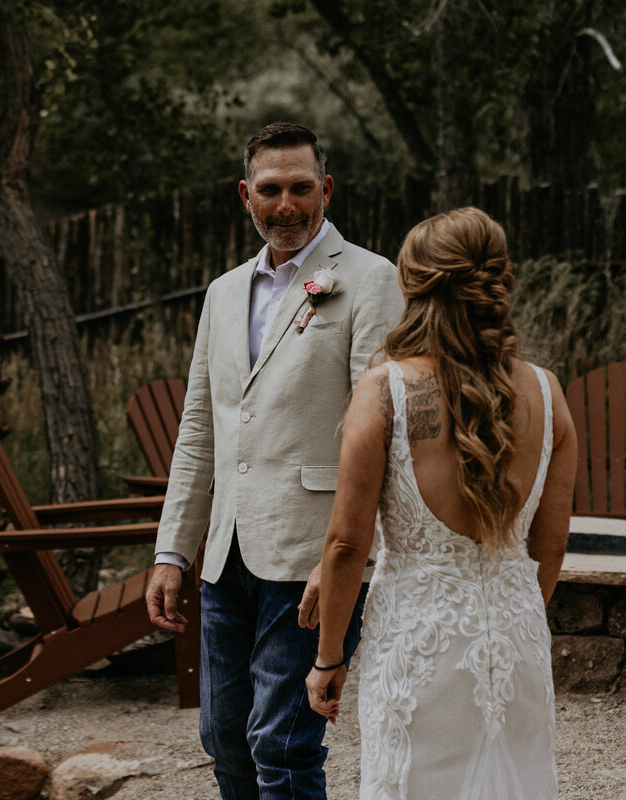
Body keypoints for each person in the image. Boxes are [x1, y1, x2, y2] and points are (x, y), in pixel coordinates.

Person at [145, 121, 405, 800]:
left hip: (311, 557)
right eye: (270, 189)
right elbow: (199, 427)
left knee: (282, 745)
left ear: (326, 189)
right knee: (224, 739)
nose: (285, 204)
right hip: (226, 555)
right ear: (245, 194)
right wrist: (173, 550)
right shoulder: (222, 293)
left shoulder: (371, 280)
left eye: (299, 187)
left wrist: (347, 556)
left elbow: (381, 432)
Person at [305, 207, 577, 800]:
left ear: (413, 286)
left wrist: (328, 660)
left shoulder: (385, 389)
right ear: (497, 280)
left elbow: (347, 545)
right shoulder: (547, 391)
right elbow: (549, 549)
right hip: (518, 643)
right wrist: (509, 612)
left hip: (417, 646)